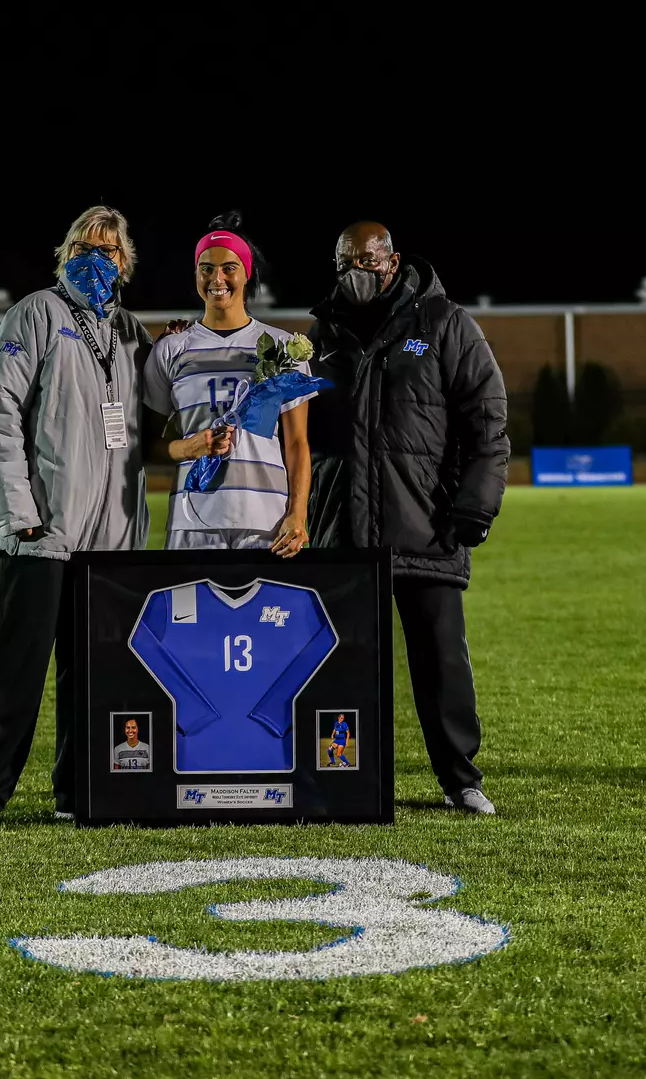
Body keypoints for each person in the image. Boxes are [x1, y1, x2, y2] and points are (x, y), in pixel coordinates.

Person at [0, 206, 152, 834]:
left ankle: (78, 789)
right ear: (64, 252)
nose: (97, 256)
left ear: (126, 263)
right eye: (84, 244)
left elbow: (156, 413)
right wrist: (20, 514)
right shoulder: (36, 314)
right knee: (17, 670)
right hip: (43, 531)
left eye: (110, 248)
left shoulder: (129, 331)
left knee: (94, 675)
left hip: (111, 542)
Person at [306, 222, 510, 815]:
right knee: (337, 665)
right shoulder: (322, 333)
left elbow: (487, 423)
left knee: (441, 661)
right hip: (343, 531)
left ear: (391, 262)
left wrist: (473, 504)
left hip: (425, 525)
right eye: (344, 262)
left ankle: (460, 778)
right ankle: (340, 775)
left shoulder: (445, 323)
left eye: (365, 262)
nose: (354, 273)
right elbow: (304, 436)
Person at [143, 212, 314, 556]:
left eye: (228, 268)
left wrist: (297, 514)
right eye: (206, 268)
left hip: (267, 523)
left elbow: (297, 443)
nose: (216, 278)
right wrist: (190, 448)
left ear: (247, 273)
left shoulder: (282, 347)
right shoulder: (171, 349)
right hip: (192, 521)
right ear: (195, 274)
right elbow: (152, 446)